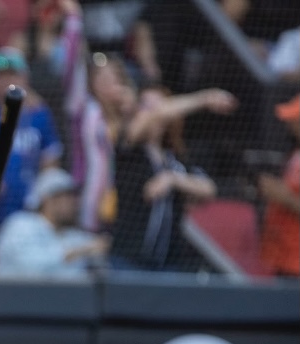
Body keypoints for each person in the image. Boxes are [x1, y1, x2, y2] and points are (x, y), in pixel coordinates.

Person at [108, 86, 234, 271]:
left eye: (163, 106)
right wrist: (204, 99)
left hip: (167, 264)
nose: (158, 112)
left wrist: (172, 179)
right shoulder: (129, 148)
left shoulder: (174, 160)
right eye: (147, 106)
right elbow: (155, 115)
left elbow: (209, 188)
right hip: (127, 260)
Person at [0, 46, 63, 236]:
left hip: (26, 207)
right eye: (1, 76)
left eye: (13, 75)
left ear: (25, 79)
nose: (7, 81)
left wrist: (40, 194)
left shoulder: (39, 113)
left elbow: (50, 158)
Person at [59, 0, 137, 233]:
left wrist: (131, 109)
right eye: (100, 77)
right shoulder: (85, 110)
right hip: (87, 200)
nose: (106, 83)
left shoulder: (132, 114)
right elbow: (72, 68)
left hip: (126, 199)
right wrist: (74, 20)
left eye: (113, 78)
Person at [0, 167, 108, 276]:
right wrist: (79, 252)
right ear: (48, 200)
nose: (74, 203)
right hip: (15, 290)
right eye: (68, 196)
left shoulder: (76, 237)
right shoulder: (21, 224)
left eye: (75, 197)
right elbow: (30, 268)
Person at [258, 94, 300, 277]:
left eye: (294, 119)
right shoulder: (294, 153)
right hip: (284, 255)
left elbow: (288, 197)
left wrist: (284, 197)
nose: (288, 124)